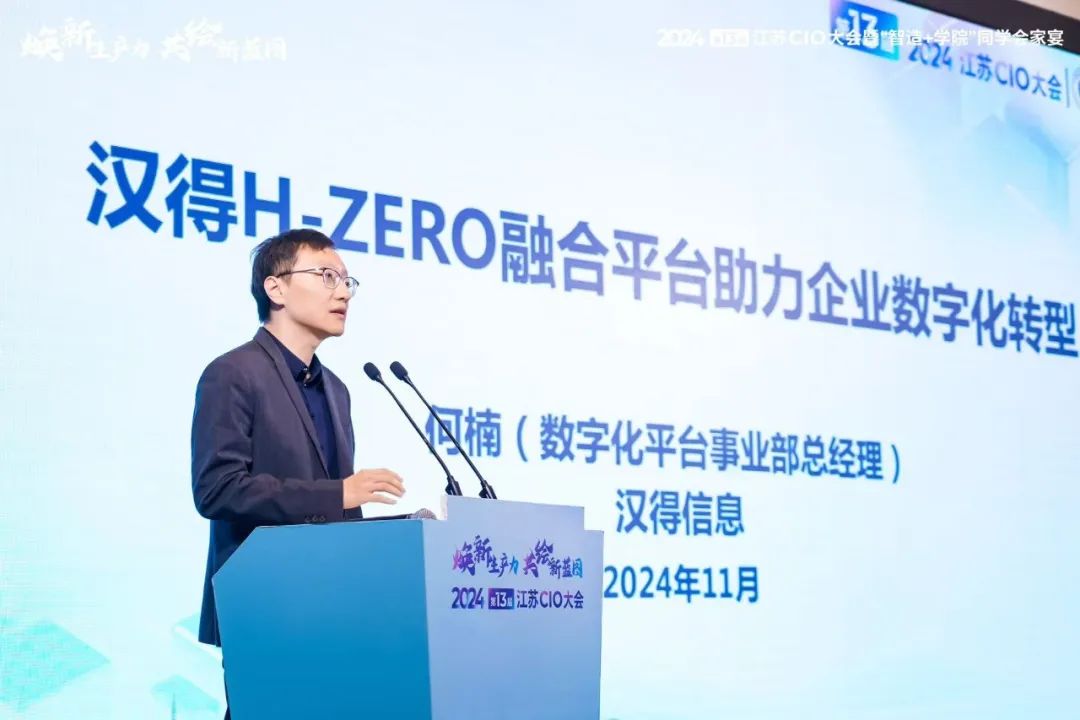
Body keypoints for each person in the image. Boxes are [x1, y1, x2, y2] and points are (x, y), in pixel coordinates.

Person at [190, 228, 405, 719]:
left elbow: (336, 508)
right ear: (276, 288)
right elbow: (217, 489)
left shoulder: (337, 390)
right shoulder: (233, 373)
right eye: (327, 276)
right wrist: (338, 494)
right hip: (263, 604)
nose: (343, 292)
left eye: (347, 281)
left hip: (330, 609)